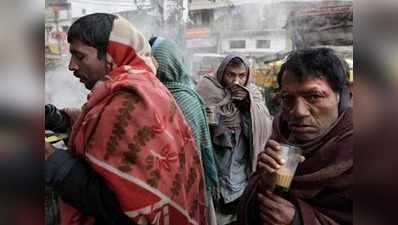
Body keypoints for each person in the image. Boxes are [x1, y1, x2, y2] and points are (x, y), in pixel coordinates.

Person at [45, 13, 206, 225]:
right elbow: (100, 128)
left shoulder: (129, 100)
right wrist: (56, 118)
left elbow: (121, 206)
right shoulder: (143, 84)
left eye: (80, 56)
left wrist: (52, 160)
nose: (72, 66)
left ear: (110, 56)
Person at [238, 48, 353, 225]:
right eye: (287, 98)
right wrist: (266, 183)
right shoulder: (281, 136)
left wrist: (299, 220)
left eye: (314, 96)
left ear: (341, 97)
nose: (298, 112)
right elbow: (255, 204)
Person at [149, 37, 219, 225]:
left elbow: (187, 155)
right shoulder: (160, 94)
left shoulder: (181, 99)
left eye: (154, 62)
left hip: (188, 185)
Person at [196, 55, 273, 225]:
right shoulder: (207, 88)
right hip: (213, 174)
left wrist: (247, 106)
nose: (236, 81)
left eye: (241, 76)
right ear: (222, 72)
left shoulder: (252, 94)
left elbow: (264, 128)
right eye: (231, 75)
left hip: (241, 175)